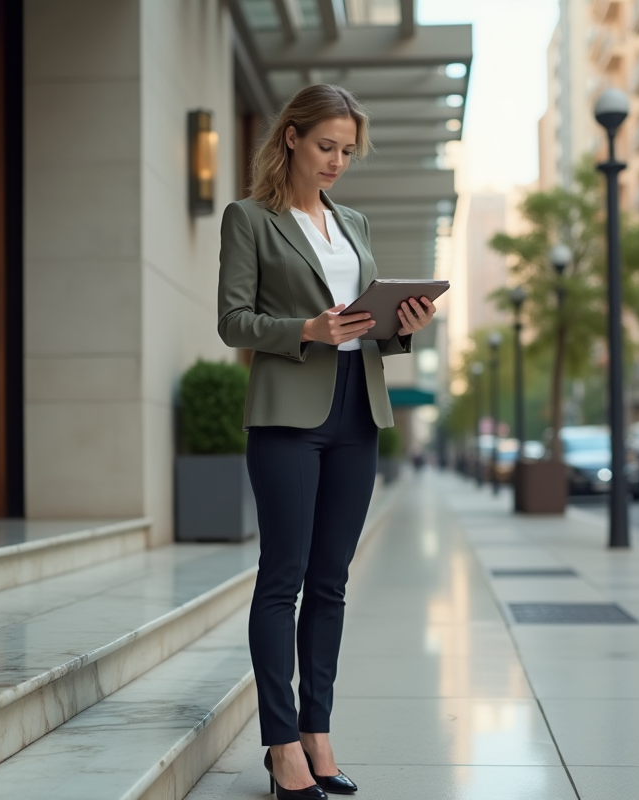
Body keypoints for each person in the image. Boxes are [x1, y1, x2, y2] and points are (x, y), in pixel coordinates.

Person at [216, 84, 436, 799]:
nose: (338, 161)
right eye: (326, 146)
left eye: (347, 150)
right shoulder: (248, 219)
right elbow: (233, 322)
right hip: (286, 411)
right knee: (284, 578)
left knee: (332, 584)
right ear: (291, 138)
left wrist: (401, 323)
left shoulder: (356, 224)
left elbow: (369, 327)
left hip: (357, 411)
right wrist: (306, 331)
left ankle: (319, 735)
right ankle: (281, 748)